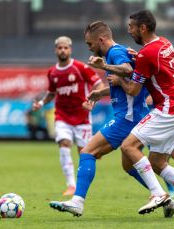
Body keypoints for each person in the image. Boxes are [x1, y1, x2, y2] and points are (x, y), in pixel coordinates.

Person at [49, 21, 174, 218]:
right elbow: (130, 80)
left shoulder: (115, 53)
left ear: (101, 39)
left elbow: (126, 70)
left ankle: (77, 202)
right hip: (136, 117)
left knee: (88, 152)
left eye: (90, 44)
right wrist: (101, 92)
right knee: (128, 166)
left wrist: (104, 66)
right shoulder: (117, 52)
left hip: (127, 118)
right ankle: (164, 197)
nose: (90, 48)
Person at [116, 9, 174, 220]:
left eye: (131, 27)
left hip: (169, 108)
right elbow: (154, 63)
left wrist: (117, 78)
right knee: (158, 162)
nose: (129, 31)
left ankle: (158, 193)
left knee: (128, 146)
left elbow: (132, 90)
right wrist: (138, 57)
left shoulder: (146, 54)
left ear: (143, 27)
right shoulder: (165, 43)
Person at [33, 36, 105, 196]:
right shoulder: (52, 72)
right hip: (63, 116)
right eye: (60, 48)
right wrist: (41, 103)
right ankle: (71, 185)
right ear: (56, 50)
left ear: (70, 50)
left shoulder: (80, 67)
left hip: (82, 117)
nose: (63, 50)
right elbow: (51, 94)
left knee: (85, 153)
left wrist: (93, 101)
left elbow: (99, 84)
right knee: (64, 144)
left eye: (66, 48)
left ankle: (82, 183)